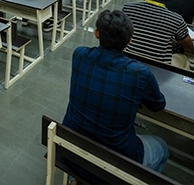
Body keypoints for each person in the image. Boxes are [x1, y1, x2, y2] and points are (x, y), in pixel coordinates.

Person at [62, 10, 168, 173]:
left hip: (73, 148)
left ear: (97, 33)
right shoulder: (140, 73)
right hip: (116, 161)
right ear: (129, 40)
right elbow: (158, 105)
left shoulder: (79, 54)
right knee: (161, 146)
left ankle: (77, 178)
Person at [123, 0, 193, 68]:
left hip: (129, 62)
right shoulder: (176, 19)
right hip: (158, 67)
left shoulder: (128, 8)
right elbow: (189, 45)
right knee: (183, 58)